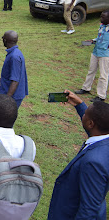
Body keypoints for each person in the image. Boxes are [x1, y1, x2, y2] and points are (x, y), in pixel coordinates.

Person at [48, 90, 109, 220]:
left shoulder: (93, 162)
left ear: (91, 123)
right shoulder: (103, 139)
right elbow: (93, 127)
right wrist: (79, 105)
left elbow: (89, 210)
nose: (83, 115)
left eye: (85, 114)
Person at [0, 30, 28, 107]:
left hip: (12, 96)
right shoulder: (15, 52)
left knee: (3, 118)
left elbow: (15, 81)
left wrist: (6, 100)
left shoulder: (14, 57)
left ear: (5, 40)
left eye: (3, 37)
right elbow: (12, 76)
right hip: (10, 94)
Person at [75, 10, 109, 102]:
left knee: (103, 75)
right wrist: (92, 41)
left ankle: (101, 96)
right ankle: (86, 88)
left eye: (103, 17)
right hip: (96, 52)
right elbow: (99, 38)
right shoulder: (102, 26)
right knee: (91, 71)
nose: (101, 18)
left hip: (105, 55)